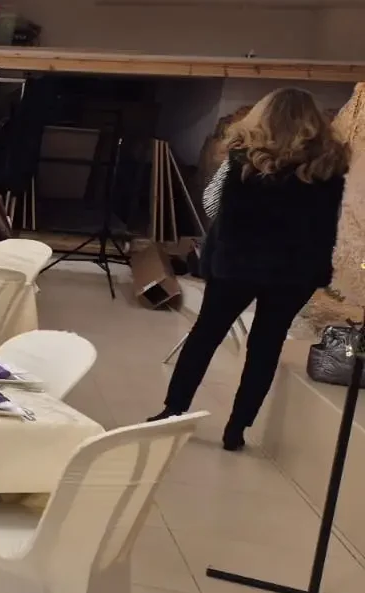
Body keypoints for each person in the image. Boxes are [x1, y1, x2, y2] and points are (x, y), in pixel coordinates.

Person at [150, 87, 350, 451]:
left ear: (264, 115)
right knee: (266, 346)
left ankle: (173, 410)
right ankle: (236, 430)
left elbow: (212, 205)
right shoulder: (329, 166)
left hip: (237, 262)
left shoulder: (245, 157)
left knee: (206, 334)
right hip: (295, 270)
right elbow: (330, 221)